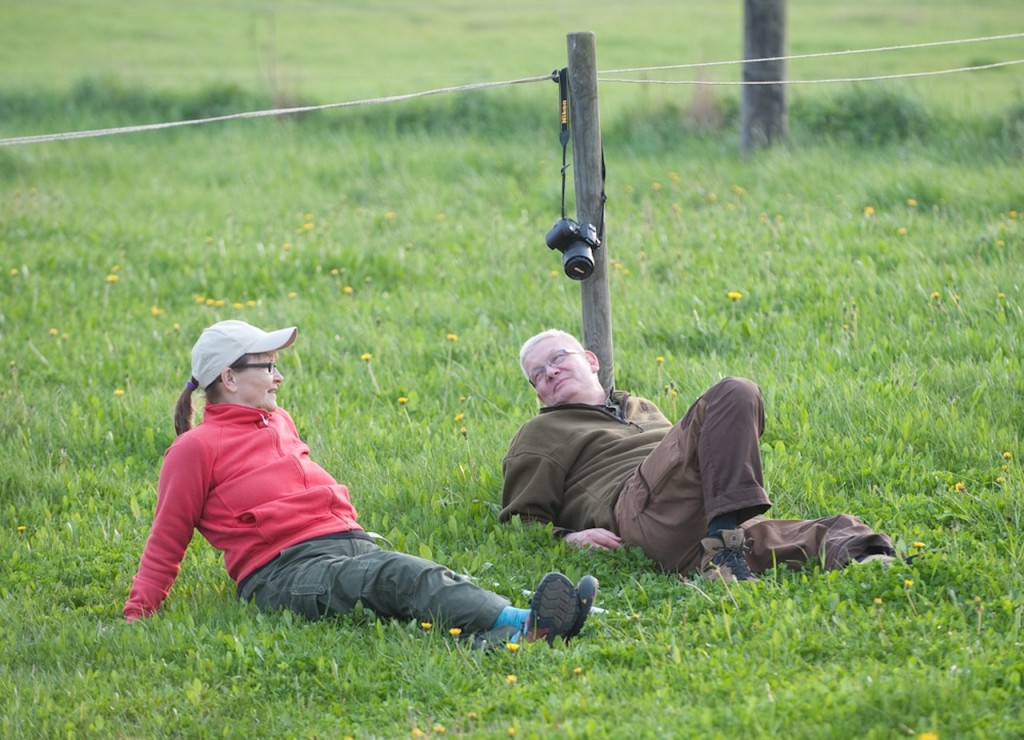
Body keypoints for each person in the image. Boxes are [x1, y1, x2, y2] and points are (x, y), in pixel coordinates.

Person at [124, 319, 597, 648]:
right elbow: (166, 540)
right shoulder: (194, 449)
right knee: (401, 578)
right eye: (267, 366)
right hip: (283, 573)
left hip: (347, 545)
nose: (279, 376)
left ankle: (504, 637)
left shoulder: (277, 421)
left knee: (422, 581)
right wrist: (137, 616)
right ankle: (527, 623)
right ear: (228, 376)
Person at [500, 329, 897, 583]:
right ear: (538, 393)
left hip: (696, 523)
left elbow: (695, 461)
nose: (549, 372)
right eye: (538, 374)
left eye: (558, 358)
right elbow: (520, 520)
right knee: (734, 391)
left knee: (831, 528)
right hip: (640, 513)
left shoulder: (641, 405)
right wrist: (568, 538)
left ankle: (871, 562)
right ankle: (725, 546)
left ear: (589, 360)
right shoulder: (540, 433)